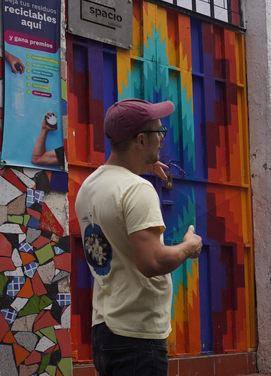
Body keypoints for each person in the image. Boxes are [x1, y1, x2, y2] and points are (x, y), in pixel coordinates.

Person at [74, 98, 203, 376]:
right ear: (141, 140)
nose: (162, 139)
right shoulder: (137, 190)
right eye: (160, 132)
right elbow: (152, 262)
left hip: (106, 331)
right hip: (137, 337)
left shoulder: (90, 187)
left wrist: (139, 169)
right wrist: (188, 248)